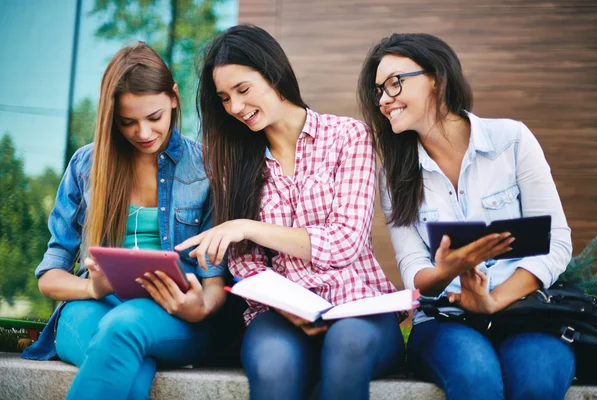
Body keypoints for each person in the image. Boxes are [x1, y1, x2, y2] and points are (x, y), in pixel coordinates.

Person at [176, 24, 405, 400]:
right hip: (279, 317)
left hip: (359, 308)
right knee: (272, 364)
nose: (234, 107)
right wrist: (287, 306)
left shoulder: (349, 136)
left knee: (345, 348)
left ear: (273, 73)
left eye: (243, 90)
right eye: (223, 98)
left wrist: (249, 227)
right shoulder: (236, 163)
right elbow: (245, 262)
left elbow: (345, 241)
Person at [357, 33, 575, 399]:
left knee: (537, 378)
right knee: (475, 377)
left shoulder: (512, 140)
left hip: (524, 310)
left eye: (395, 83)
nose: (383, 99)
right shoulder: (393, 173)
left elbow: (556, 241)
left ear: (438, 79)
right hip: (445, 319)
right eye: (378, 90)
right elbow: (413, 268)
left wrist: (494, 300)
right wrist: (449, 269)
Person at [21, 42, 229, 400]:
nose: (143, 133)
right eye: (127, 122)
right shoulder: (86, 166)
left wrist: (200, 307)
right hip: (91, 307)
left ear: (174, 99)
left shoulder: (205, 168)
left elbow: (214, 281)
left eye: (155, 117)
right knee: (126, 361)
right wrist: (91, 288)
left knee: (123, 330)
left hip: (172, 315)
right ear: (110, 117)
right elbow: (50, 276)